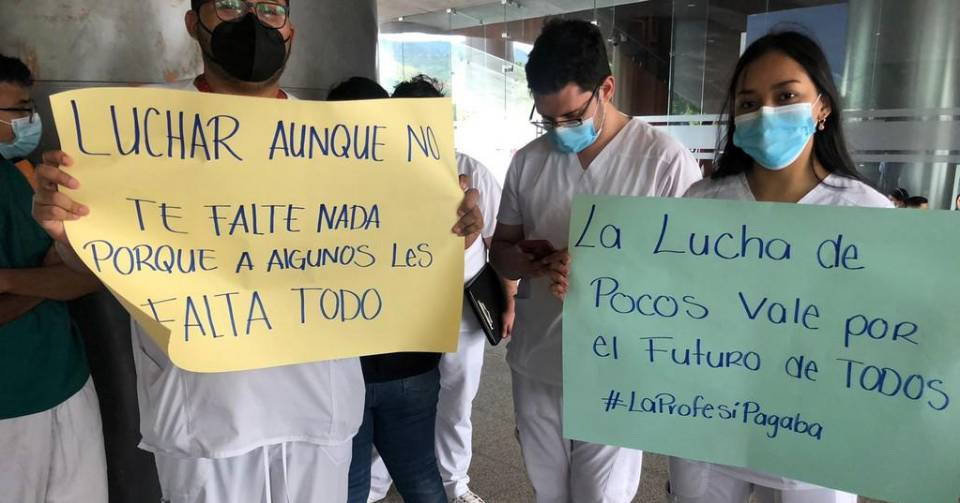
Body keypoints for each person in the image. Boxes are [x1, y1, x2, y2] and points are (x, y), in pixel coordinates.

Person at [30, 2, 486, 502]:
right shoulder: (136, 134)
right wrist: (68, 236)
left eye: (269, 9)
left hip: (319, 405)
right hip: (207, 411)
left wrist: (452, 236)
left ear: (289, 30)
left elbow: (395, 256)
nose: (251, 21)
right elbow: (102, 265)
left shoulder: (346, 142)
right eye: (228, 5)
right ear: (193, 23)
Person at [661, 31, 891, 503]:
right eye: (749, 103)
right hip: (709, 420)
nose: (765, 115)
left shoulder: (868, 213)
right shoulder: (701, 204)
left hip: (813, 433)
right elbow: (660, 299)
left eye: (786, 96)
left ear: (822, 106)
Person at [489, 19, 702, 503]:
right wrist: (527, 262)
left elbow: (694, 277)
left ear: (606, 88)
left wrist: (610, 270)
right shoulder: (529, 161)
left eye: (571, 116)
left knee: (600, 495)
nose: (559, 131)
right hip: (538, 359)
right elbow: (501, 251)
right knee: (547, 490)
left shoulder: (664, 162)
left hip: (619, 366)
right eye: (547, 120)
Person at [365, 74, 515, 503]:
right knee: (399, 394)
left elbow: (497, 243)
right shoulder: (379, 171)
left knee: (458, 397)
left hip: (464, 303)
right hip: (405, 306)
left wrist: (508, 301)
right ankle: (376, 482)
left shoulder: (471, 169)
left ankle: (455, 482)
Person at [326, 76, 446, 503]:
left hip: (340, 369)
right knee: (421, 477)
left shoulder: (306, 198)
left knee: (350, 486)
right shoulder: (427, 187)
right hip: (411, 363)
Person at [0, 54, 107, 503]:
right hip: (11, 408)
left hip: (65, 383)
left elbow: (88, 278)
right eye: (17, 111)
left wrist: (9, 281)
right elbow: (70, 276)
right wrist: (50, 275)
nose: (28, 122)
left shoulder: (28, 179)